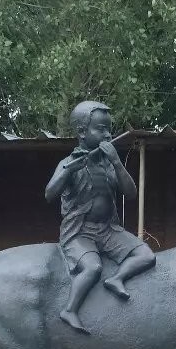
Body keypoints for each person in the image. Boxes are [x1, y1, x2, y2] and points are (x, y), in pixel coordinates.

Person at [45, 100, 155, 333]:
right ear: (82, 132)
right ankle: (70, 310)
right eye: (101, 129)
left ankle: (116, 279)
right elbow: (49, 194)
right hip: (80, 232)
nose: (107, 135)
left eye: (109, 130)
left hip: (108, 230)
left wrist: (116, 162)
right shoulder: (68, 163)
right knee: (93, 267)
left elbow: (131, 193)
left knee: (146, 255)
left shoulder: (109, 164)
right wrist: (67, 172)